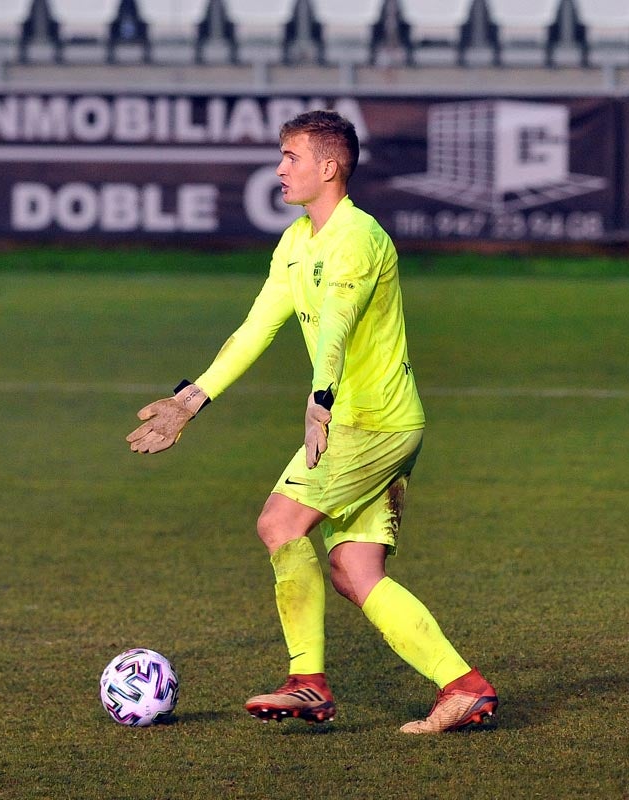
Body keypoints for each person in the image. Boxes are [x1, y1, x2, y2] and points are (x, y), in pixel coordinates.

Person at [126, 109, 497, 734]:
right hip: (375, 423)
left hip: (367, 423)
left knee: (279, 523)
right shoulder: (297, 241)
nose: (278, 169)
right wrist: (192, 399)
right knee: (355, 571)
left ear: (329, 167)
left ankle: (309, 685)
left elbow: (337, 325)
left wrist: (320, 399)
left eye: (290, 158)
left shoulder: (359, 237)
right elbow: (257, 328)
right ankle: (465, 689)